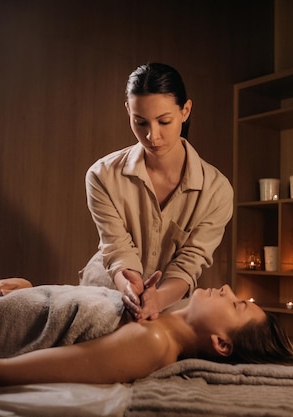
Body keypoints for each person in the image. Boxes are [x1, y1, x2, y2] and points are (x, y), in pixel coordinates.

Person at [0, 277, 293, 414]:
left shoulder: (152, 343)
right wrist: (24, 286)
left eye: (237, 304)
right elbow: (62, 312)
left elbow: (5, 372)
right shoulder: (150, 311)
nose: (225, 287)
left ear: (222, 344)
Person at [79, 62, 233, 321]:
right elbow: (116, 247)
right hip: (106, 293)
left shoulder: (216, 191)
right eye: (140, 122)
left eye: (164, 121)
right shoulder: (102, 175)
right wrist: (129, 286)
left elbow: (189, 262)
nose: (152, 135)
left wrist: (158, 299)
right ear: (128, 110)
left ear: (185, 111)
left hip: (169, 300)